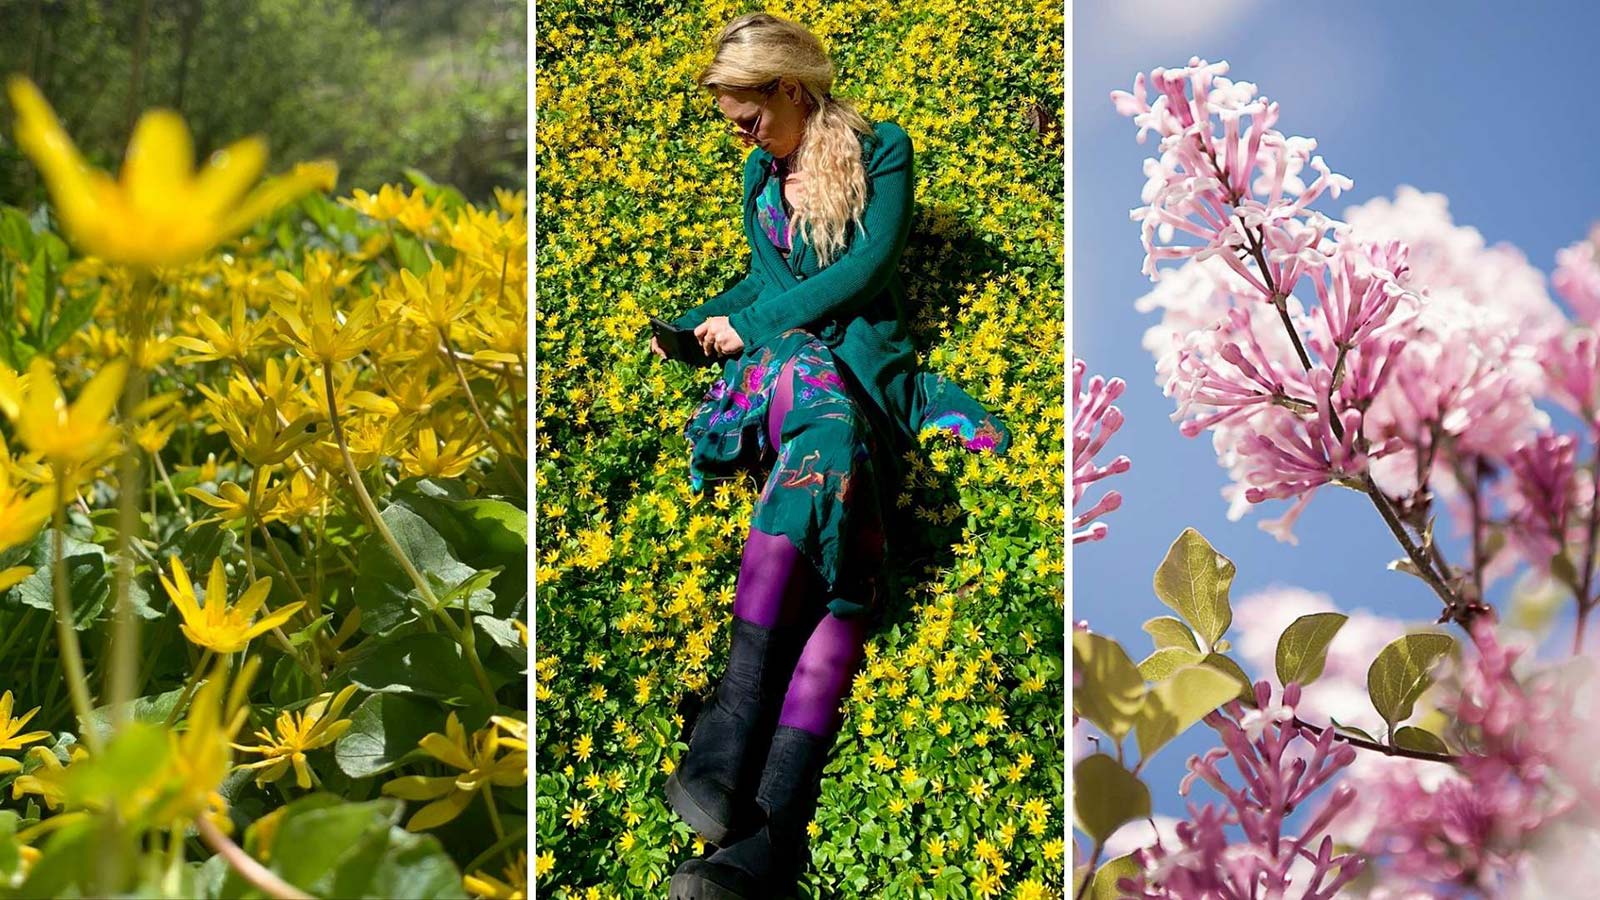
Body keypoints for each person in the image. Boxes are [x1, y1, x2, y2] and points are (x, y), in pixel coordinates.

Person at [649, 12, 1011, 898]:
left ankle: (763, 833)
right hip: (794, 368)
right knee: (825, 430)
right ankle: (734, 727)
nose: (742, 136)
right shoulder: (757, 174)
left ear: (793, 91)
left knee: (852, 563)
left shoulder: (884, 150)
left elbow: (867, 269)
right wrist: (705, 322)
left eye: (749, 117)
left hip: (863, 370)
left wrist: (754, 321)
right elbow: (770, 283)